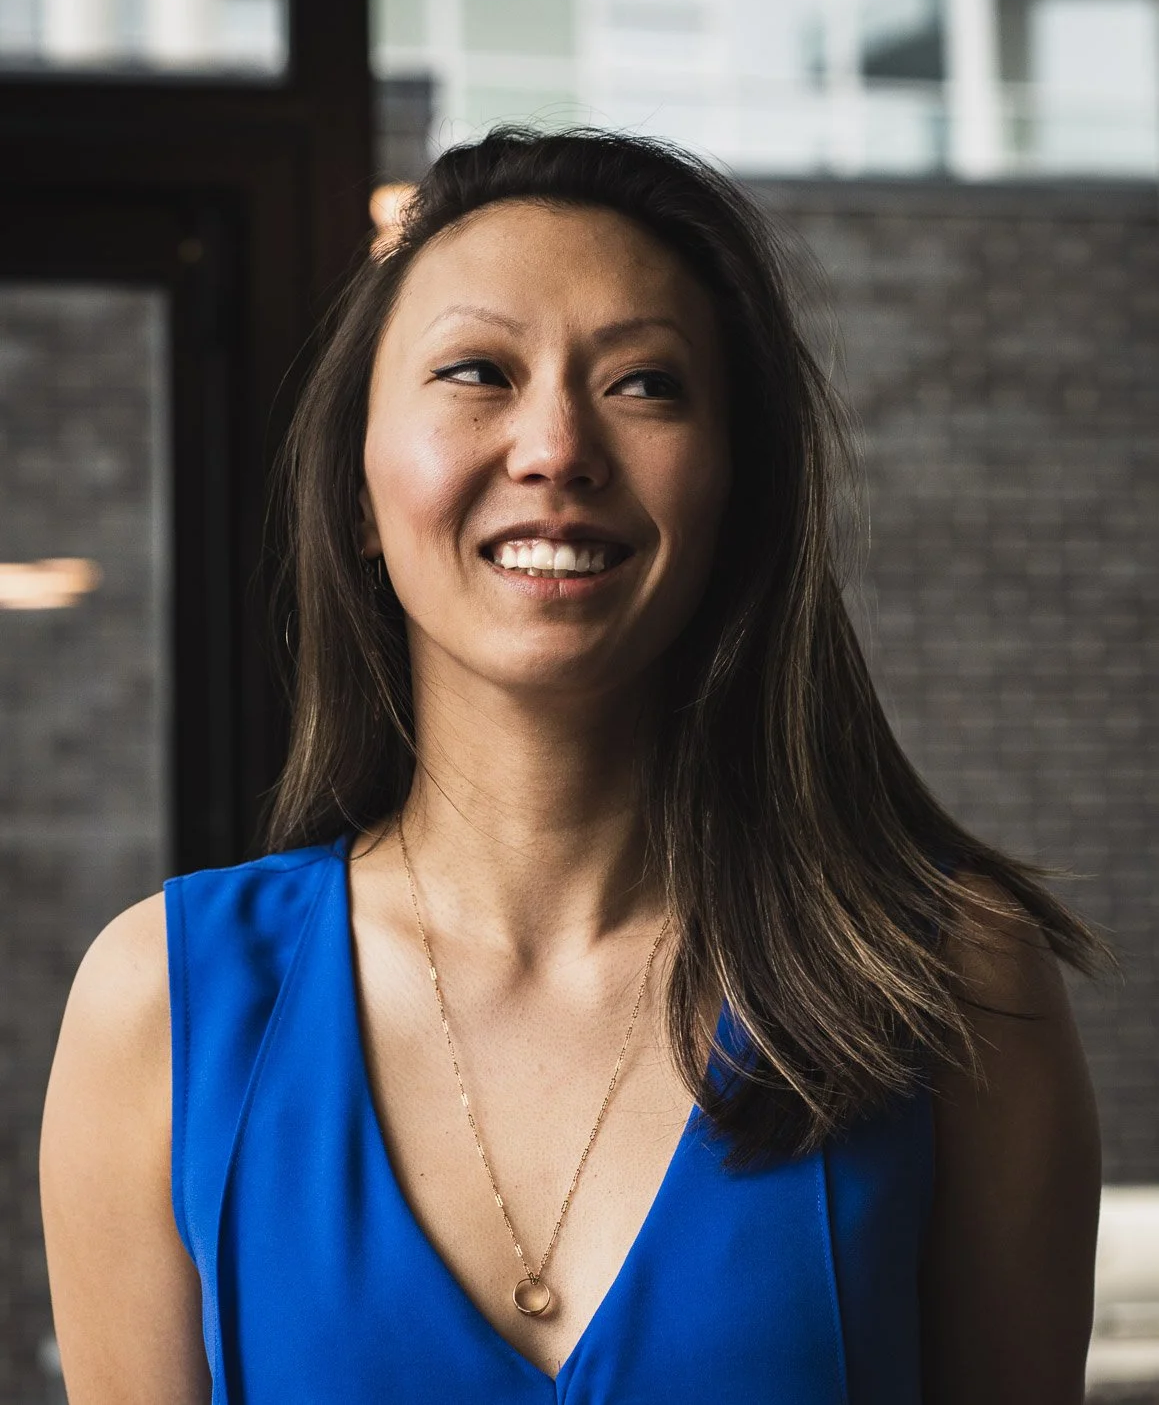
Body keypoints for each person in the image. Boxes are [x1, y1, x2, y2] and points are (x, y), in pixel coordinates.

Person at [40, 127, 1104, 1404]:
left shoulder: (951, 986)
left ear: (736, 494)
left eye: (644, 384)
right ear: (358, 497)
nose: (555, 448)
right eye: (476, 372)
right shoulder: (167, 1007)